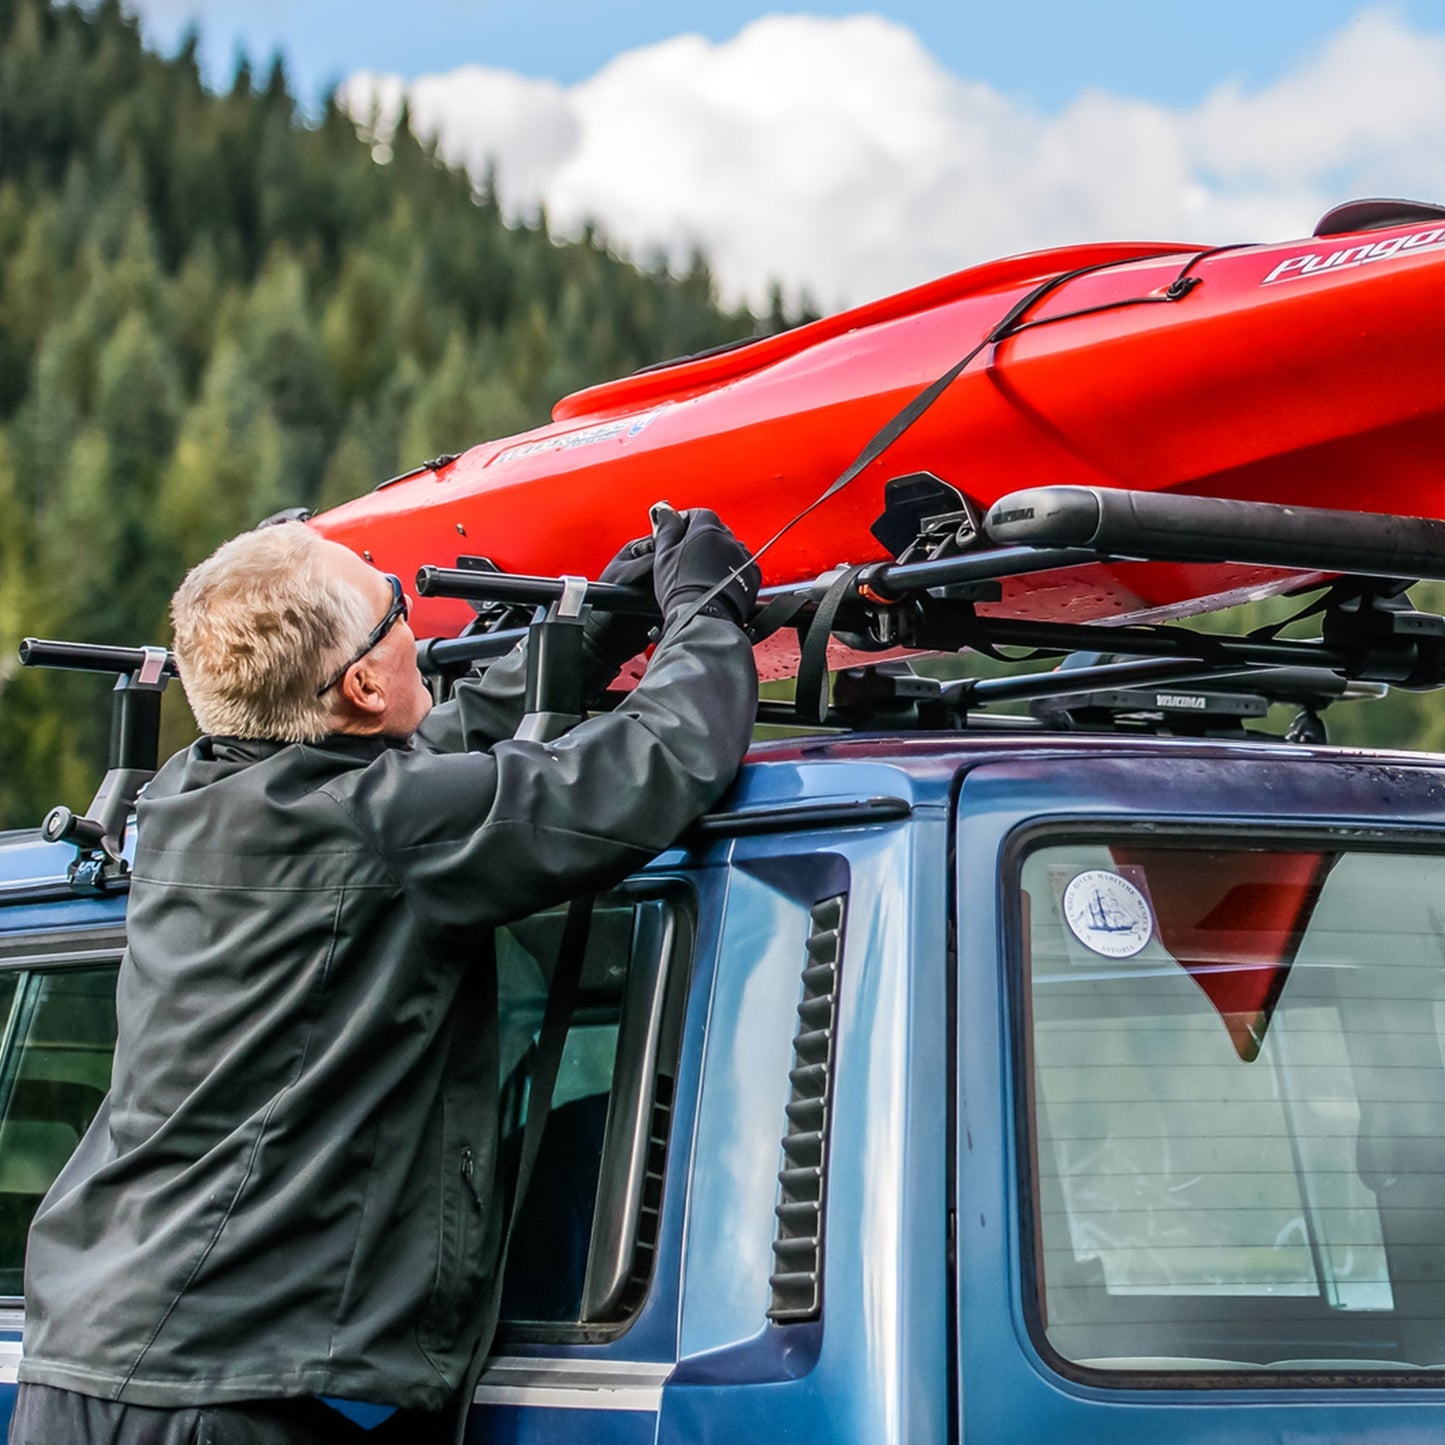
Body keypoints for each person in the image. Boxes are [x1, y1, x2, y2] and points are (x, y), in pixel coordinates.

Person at [9, 507, 759, 1444]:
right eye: (396, 609)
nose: (413, 626)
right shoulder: (382, 827)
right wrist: (709, 612)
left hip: (87, 1362)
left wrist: (594, 634)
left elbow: (425, 753)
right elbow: (658, 759)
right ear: (362, 681)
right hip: (234, 1393)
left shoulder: (185, 799)